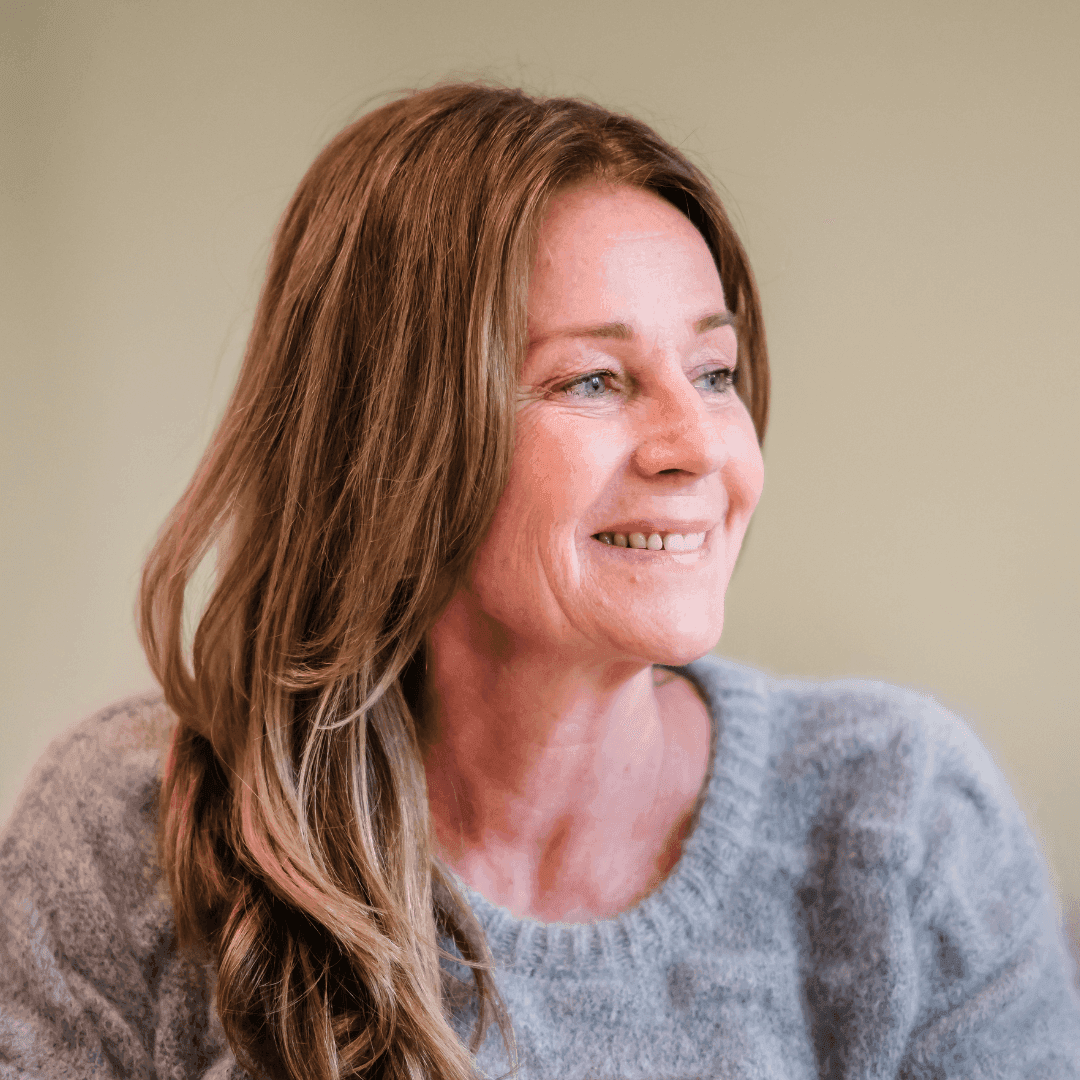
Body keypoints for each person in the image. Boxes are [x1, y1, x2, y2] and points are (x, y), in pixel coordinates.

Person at [1, 83, 1077, 1080]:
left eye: (714, 373)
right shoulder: (134, 827)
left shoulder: (901, 827)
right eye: (595, 380)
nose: (694, 446)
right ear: (394, 442)